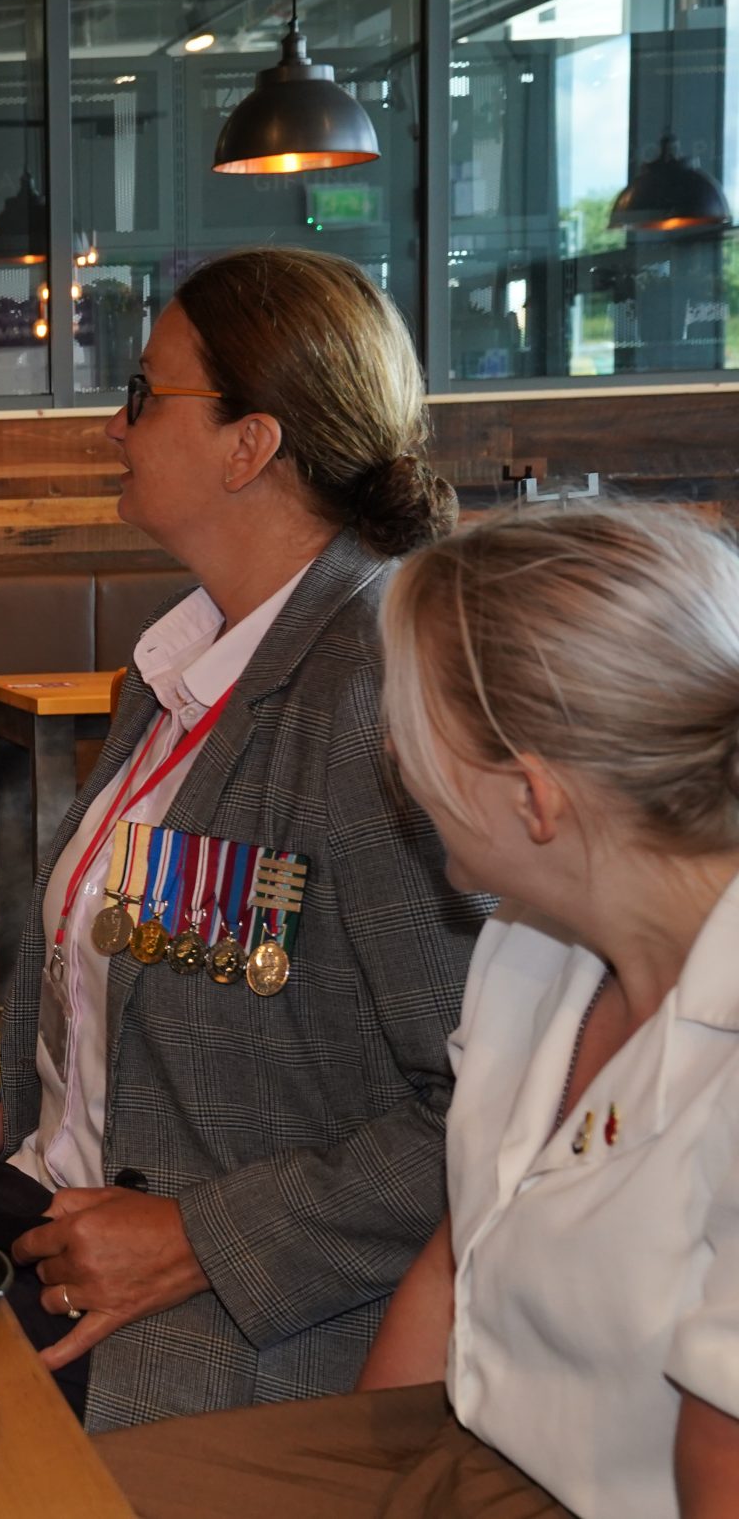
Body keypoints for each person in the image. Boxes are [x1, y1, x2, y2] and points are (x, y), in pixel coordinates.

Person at [0, 247, 488, 1428]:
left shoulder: (376, 700)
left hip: (241, 1327)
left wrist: (197, 1241)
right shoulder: (181, 666)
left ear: (249, 444)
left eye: (141, 395)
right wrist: (43, 1105)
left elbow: (486, 1105)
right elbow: (201, 966)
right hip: (67, 1206)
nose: (110, 429)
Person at [100, 502, 739, 1519]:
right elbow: (455, 1258)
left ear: (533, 800)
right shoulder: (533, 942)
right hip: (464, 1440)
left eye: (406, 725)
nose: (387, 755)